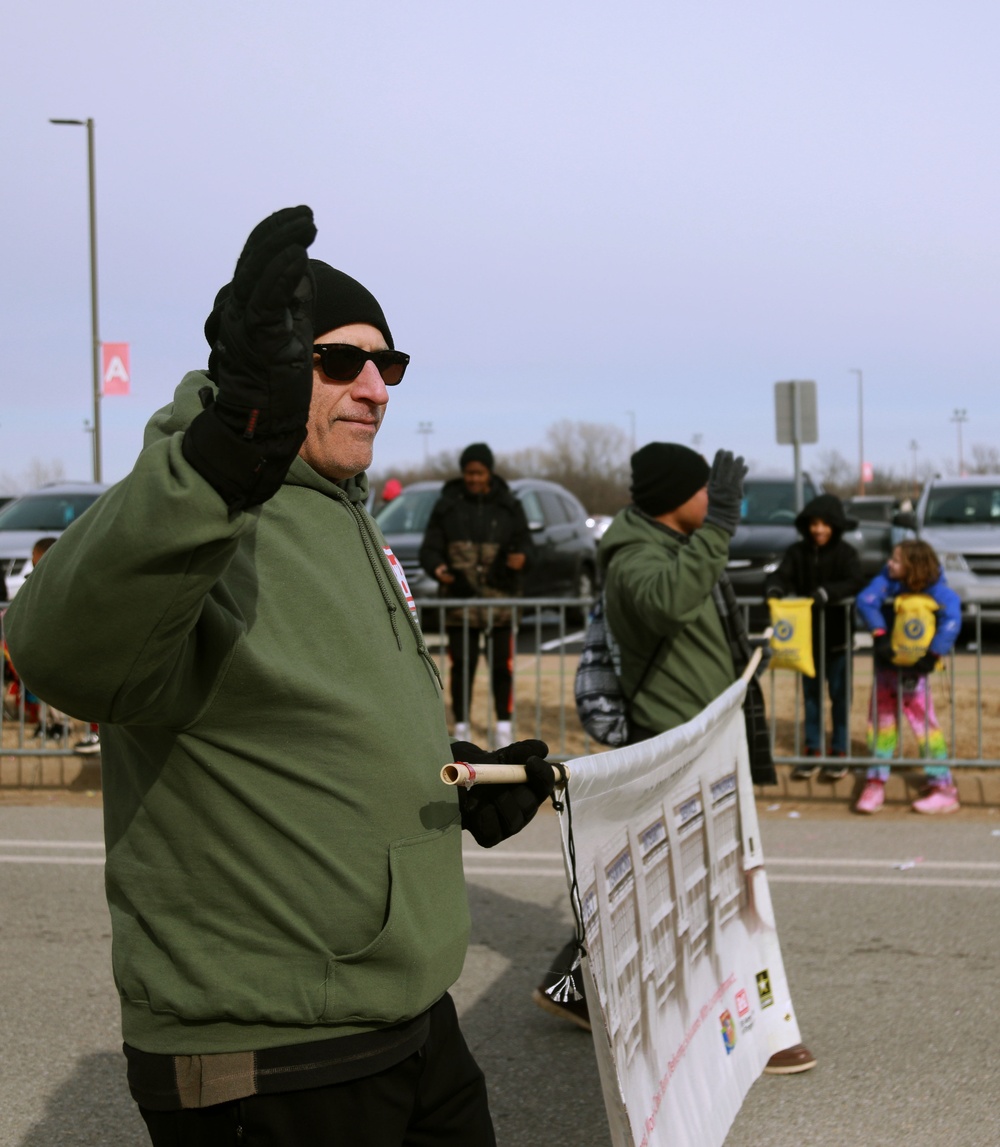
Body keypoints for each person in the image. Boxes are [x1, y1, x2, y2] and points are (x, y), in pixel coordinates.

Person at [5, 206, 556, 1147]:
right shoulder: (202, 502)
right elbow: (55, 650)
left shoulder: (340, 507)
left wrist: (452, 776)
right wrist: (223, 456)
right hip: (270, 1053)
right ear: (264, 367)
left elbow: (304, 709)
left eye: (392, 365)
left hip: (409, 1020)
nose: (377, 388)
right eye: (341, 361)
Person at [536, 443, 815, 1076]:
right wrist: (718, 527)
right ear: (675, 498)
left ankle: (575, 987)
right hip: (676, 747)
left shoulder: (672, 548)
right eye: (708, 494)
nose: (723, 505)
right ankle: (756, 1029)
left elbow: (691, 627)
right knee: (711, 886)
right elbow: (666, 604)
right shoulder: (635, 554)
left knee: (672, 882)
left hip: (708, 742)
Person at [419, 443, 532, 743]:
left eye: (479, 473)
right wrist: (438, 569)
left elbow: (528, 545)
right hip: (460, 603)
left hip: (501, 602)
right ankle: (462, 727)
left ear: (489, 472)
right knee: (462, 667)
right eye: (469, 473)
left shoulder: (509, 504)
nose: (473, 478)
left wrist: (523, 558)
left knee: (501, 667)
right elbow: (429, 549)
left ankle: (504, 727)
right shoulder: (448, 505)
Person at [854, 539, 962, 814]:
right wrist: (879, 633)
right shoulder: (886, 581)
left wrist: (934, 654)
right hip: (887, 668)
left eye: (897, 560)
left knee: (925, 727)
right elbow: (866, 601)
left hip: (917, 672)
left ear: (913, 565)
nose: (890, 563)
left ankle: (943, 787)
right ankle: (875, 783)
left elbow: (952, 618)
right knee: (881, 727)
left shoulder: (938, 590)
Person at [765, 493, 865, 780]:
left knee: (840, 696)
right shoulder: (797, 552)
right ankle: (812, 750)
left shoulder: (846, 553)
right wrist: (774, 590)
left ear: (835, 525)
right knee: (811, 698)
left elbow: (855, 581)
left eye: (825, 524)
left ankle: (840, 750)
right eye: (813, 524)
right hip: (806, 643)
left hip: (838, 641)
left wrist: (828, 593)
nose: (818, 529)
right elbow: (780, 576)